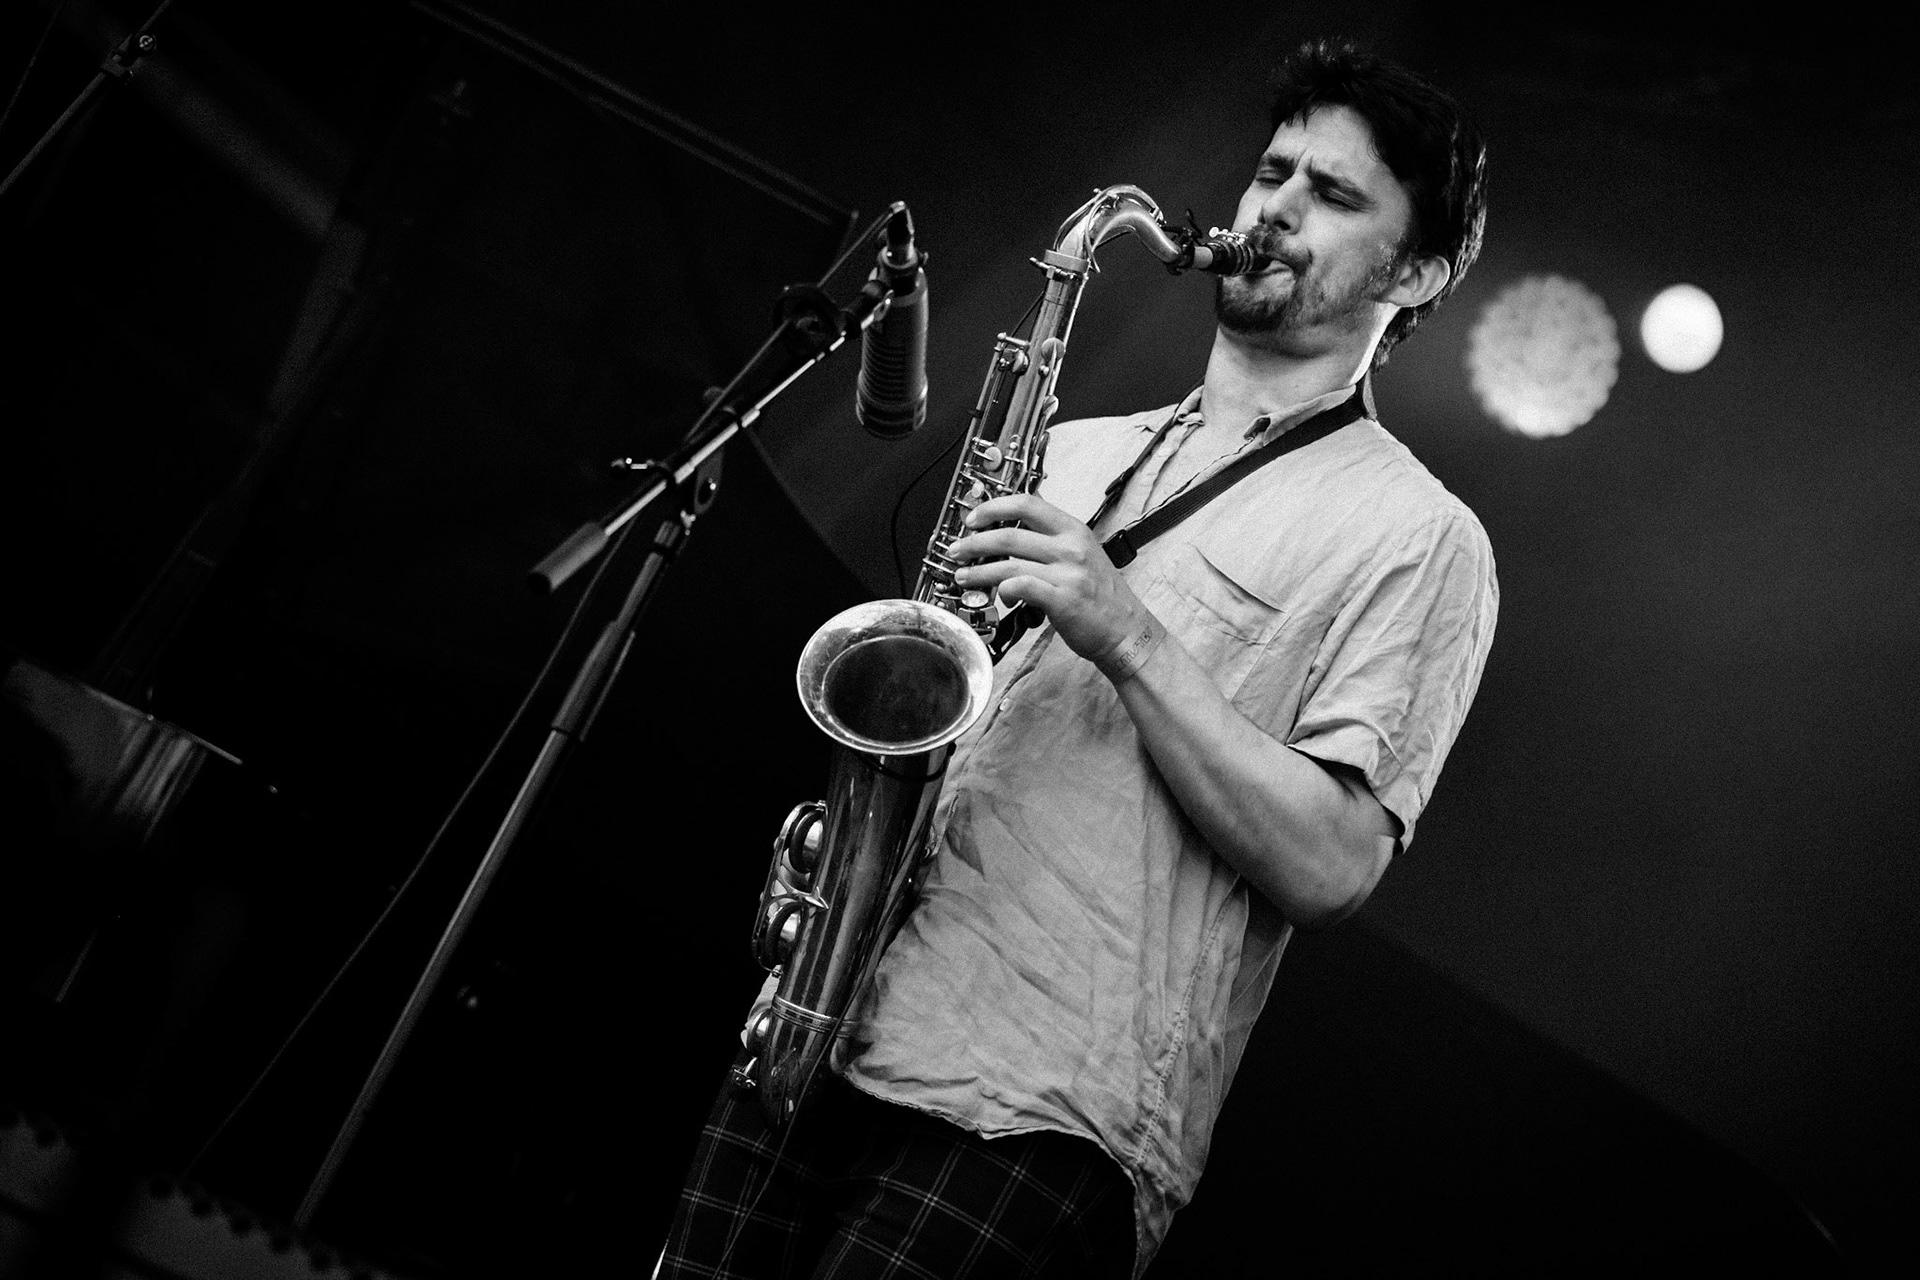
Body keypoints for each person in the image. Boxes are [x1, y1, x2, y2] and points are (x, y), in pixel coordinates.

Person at [660, 36, 1497, 1279]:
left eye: (1333, 195)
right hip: (828, 1022)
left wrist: (1121, 628)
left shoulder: (1420, 535)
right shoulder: (1067, 451)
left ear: (1417, 272)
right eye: (1275, 171)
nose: (1274, 207)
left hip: (1044, 1109)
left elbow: (1332, 865)